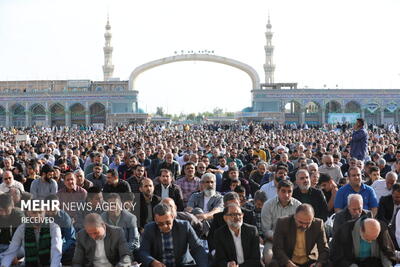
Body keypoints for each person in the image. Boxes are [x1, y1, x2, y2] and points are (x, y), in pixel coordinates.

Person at [138, 203, 208, 267]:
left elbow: (198, 248)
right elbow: (143, 251)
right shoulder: (149, 228)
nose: (165, 226)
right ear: (155, 220)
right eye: (161, 224)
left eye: (168, 222)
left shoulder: (184, 226)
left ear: (172, 217)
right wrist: (152, 262)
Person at [0, 201, 62, 267]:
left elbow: (56, 252)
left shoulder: (54, 227)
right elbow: (11, 252)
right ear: (28, 213)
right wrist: (4, 265)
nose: (38, 216)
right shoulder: (22, 229)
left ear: (45, 212)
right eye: (34, 213)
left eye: (40, 212)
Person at [261, 180, 302, 265]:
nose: (286, 195)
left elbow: (301, 227)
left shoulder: (298, 206)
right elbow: (266, 230)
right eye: (283, 191)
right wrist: (279, 239)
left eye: (289, 191)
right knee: (268, 257)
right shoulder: (268, 205)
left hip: (294, 240)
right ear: (277, 191)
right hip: (272, 241)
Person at [330, 217, 395, 266]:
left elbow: (386, 252)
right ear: (361, 230)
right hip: (352, 263)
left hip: (374, 263)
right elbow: (337, 256)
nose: (370, 242)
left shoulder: (382, 228)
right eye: (367, 239)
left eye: (373, 239)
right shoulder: (345, 230)